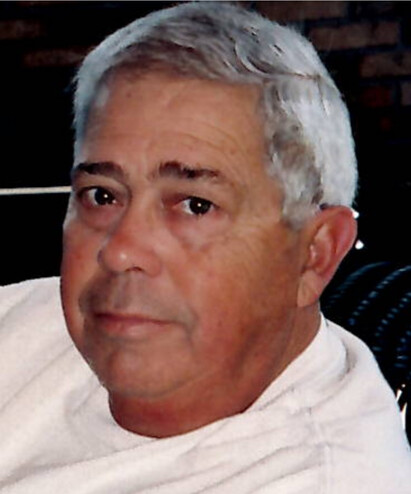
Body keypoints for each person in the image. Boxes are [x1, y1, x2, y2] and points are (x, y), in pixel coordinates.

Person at [0, 2, 409, 492]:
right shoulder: (25, 323)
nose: (121, 251)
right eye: (102, 196)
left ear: (313, 255)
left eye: (195, 205)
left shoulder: (316, 481)